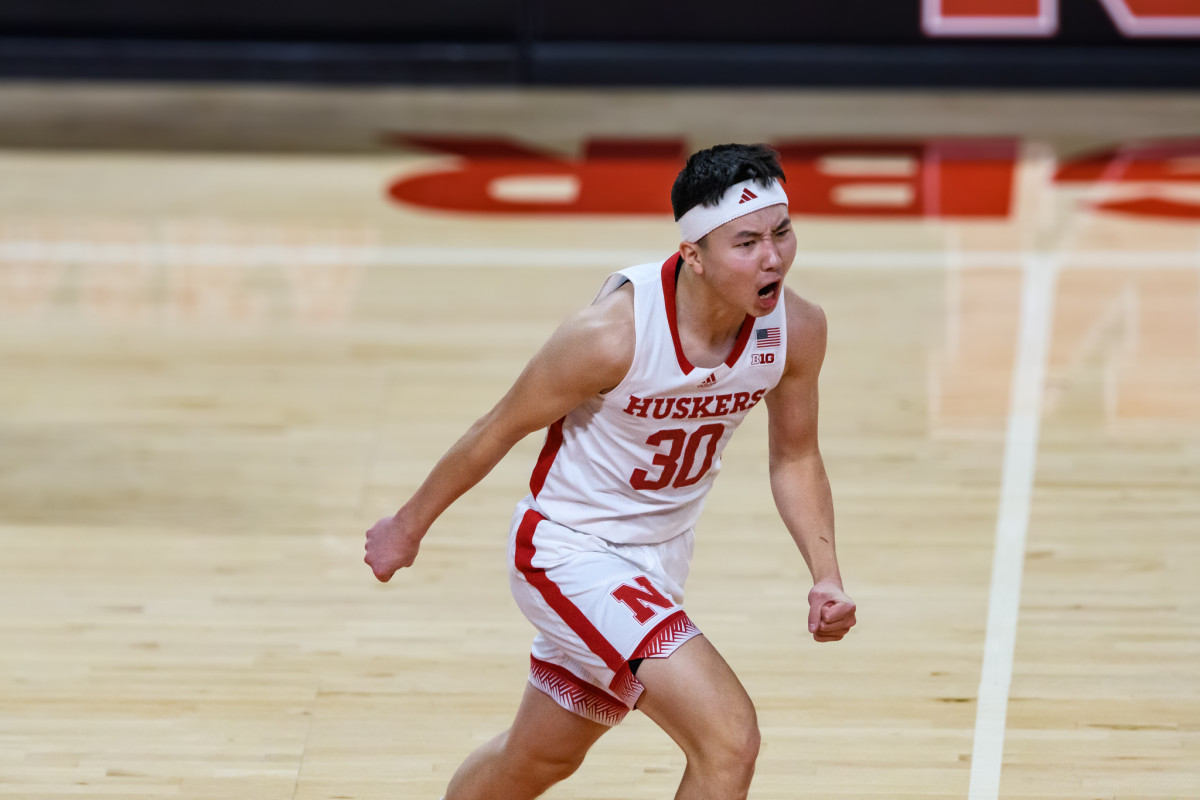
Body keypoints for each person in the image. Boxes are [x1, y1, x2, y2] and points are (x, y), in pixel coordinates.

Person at [364, 142, 857, 800]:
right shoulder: (611, 336)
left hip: (659, 561)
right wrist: (407, 527)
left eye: (782, 232)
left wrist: (826, 574)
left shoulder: (796, 329)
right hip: (567, 552)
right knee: (728, 739)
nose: (773, 258)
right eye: (746, 243)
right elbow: (497, 427)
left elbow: (796, 456)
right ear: (693, 255)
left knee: (537, 760)